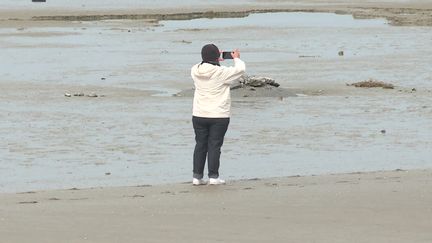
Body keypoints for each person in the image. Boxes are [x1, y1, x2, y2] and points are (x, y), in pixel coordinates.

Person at [190, 44, 246, 185]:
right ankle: (213, 177)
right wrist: (236, 58)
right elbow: (240, 69)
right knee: (214, 145)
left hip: (199, 114)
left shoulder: (195, 70)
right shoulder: (221, 73)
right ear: (216, 57)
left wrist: (213, 59)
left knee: (200, 144)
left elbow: (203, 63)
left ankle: (197, 177)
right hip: (218, 115)